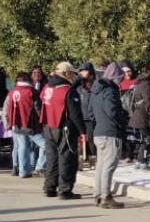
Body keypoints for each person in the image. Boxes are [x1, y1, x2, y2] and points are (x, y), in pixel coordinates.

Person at [42, 62, 85, 199]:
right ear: (66, 74)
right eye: (72, 73)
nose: (74, 76)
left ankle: (50, 187)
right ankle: (65, 190)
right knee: (67, 158)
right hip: (64, 127)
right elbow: (75, 113)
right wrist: (83, 131)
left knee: (52, 158)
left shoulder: (47, 87)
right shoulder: (68, 90)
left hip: (49, 126)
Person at [90, 64, 128, 209]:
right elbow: (112, 111)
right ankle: (106, 196)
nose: (120, 82)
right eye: (120, 78)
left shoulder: (96, 90)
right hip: (111, 132)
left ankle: (98, 195)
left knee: (101, 165)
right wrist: (123, 117)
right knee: (109, 166)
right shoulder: (111, 91)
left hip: (99, 131)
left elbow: (90, 112)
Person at [6, 73, 43, 179]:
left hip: (16, 123)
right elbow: (38, 108)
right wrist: (42, 120)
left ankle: (23, 172)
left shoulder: (12, 92)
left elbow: (8, 107)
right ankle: (40, 166)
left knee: (23, 147)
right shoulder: (31, 91)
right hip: (30, 124)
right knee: (45, 145)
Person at [125, 68, 150, 168]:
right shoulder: (146, 84)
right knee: (147, 139)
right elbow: (147, 100)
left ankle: (141, 159)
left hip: (138, 114)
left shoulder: (139, 82)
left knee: (143, 139)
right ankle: (142, 160)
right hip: (143, 116)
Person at [76, 62, 97, 167]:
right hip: (80, 116)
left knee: (91, 139)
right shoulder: (78, 85)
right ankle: (81, 159)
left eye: (85, 70)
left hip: (90, 118)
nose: (83, 73)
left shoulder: (95, 85)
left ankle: (93, 159)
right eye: (81, 71)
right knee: (81, 140)